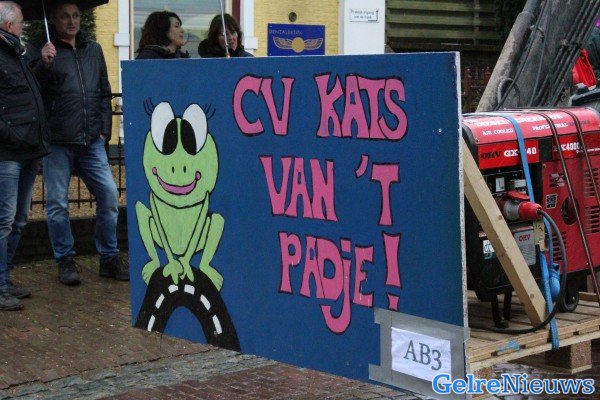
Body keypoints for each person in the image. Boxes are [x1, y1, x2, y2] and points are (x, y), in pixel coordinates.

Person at [29, 0, 129, 285]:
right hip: (57, 141)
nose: (72, 21)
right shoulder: (41, 50)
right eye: (65, 17)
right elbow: (32, 91)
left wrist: (104, 131)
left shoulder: (93, 49)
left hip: (91, 140)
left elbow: (104, 91)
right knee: (57, 204)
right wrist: (43, 65)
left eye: (75, 16)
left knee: (109, 195)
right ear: (53, 19)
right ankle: (65, 260)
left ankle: (108, 258)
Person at [0, 1, 50, 309]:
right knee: (4, 220)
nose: (23, 27)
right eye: (20, 23)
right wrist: (11, 134)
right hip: (8, 152)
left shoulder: (16, 53)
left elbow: (24, 94)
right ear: (9, 25)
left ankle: (4, 277)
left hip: (29, 149)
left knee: (19, 219)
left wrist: (41, 63)